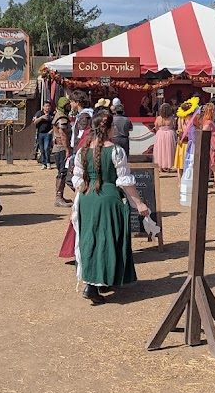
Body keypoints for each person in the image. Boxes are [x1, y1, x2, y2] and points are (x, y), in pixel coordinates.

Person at [72, 109, 150, 304]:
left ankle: (99, 281)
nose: (115, 129)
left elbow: (78, 180)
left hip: (87, 200)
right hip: (108, 200)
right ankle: (92, 286)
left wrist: (76, 204)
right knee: (106, 241)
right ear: (107, 128)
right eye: (113, 126)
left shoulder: (82, 151)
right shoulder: (116, 151)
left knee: (90, 240)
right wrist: (139, 203)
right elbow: (124, 181)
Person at [52, 96, 73, 208]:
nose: (69, 106)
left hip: (59, 147)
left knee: (62, 172)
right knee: (62, 172)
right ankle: (58, 198)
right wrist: (67, 149)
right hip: (61, 148)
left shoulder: (60, 115)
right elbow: (63, 134)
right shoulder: (61, 118)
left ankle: (60, 196)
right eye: (67, 104)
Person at [151, 103, 177, 172]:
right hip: (169, 134)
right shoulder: (172, 118)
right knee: (169, 150)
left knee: (160, 150)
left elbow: (156, 127)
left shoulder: (158, 118)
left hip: (160, 134)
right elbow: (174, 126)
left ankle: (160, 167)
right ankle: (168, 166)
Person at [32, 101, 54, 169]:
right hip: (40, 133)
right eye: (46, 106)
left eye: (48, 106)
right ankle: (43, 163)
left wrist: (51, 131)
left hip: (48, 133)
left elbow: (55, 124)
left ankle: (48, 162)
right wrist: (41, 117)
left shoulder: (52, 113)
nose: (47, 107)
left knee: (46, 148)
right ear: (43, 107)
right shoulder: (39, 113)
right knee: (42, 149)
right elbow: (34, 122)